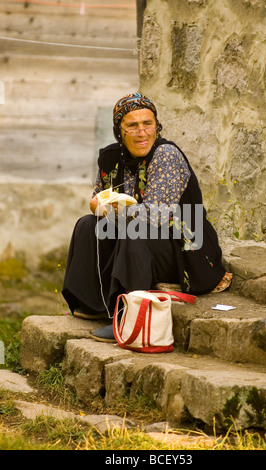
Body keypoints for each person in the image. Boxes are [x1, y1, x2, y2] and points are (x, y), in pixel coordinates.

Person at [62, 93, 232, 342]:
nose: (142, 132)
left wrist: (117, 211)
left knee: (137, 228)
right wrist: (97, 205)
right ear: (120, 131)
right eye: (132, 125)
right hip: (138, 240)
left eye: (148, 124)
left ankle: (130, 318)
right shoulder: (111, 158)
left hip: (184, 247)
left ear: (157, 126)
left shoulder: (166, 155)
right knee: (88, 224)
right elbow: (100, 196)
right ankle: (93, 304)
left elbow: (157, 215)